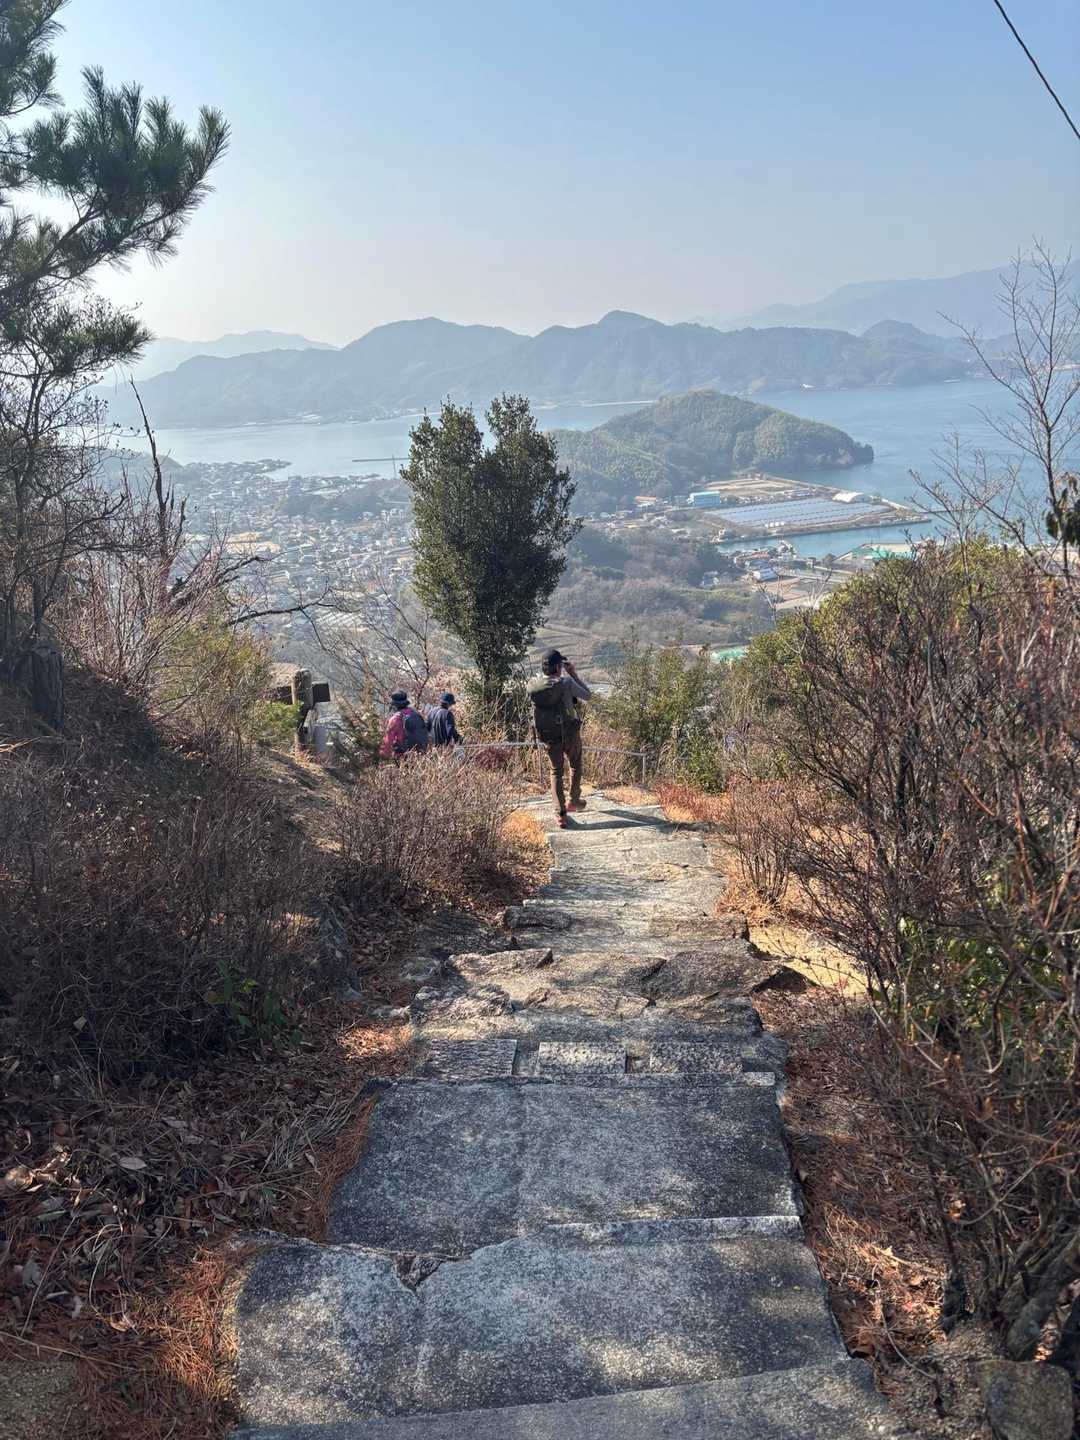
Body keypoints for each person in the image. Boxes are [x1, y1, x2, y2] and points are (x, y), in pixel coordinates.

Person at [528, 648, 591, 827]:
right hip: (569, 733)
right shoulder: (566, 682)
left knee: (556, 772)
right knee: (575, 764)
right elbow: (587, 695)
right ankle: (574, 801)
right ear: (557, 667)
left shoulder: (533, 685)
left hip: (548, 736)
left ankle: (560, 814)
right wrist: (573, 674)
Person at [379, 691, 430, 760]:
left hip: (403, 757)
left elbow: (388, 741)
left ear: (394, 705)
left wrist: (382, 757)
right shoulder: (415, 713)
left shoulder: (396, 719)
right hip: (419, 756)